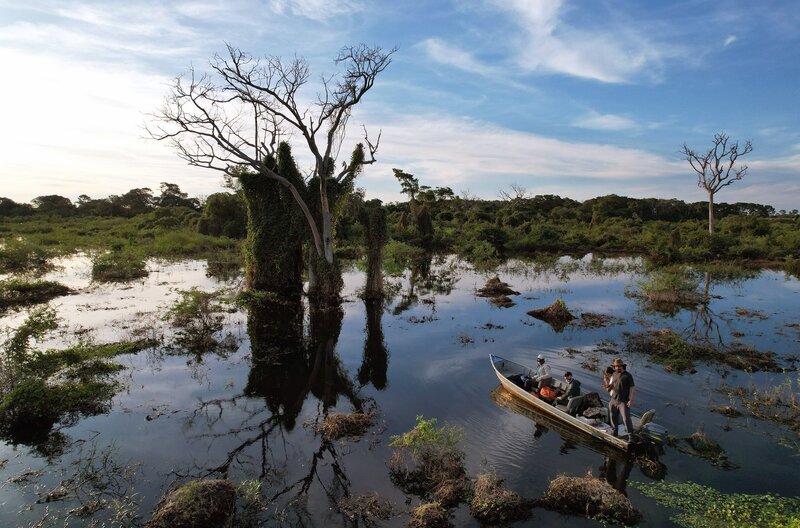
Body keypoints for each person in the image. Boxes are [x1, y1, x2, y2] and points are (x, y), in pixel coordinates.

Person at [608, 358, 635, 438]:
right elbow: (612, 384)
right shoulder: (614, 374)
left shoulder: (628, 375)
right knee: (613, 416)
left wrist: (631, 400)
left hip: (623, 401)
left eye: (619, 366)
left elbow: (632, 388)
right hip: (613, 400)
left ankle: (631, 436)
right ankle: (614, 432)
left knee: (626, 419)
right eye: (616, 366)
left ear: (622, 366)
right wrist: (608, 387)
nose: (617, 368)